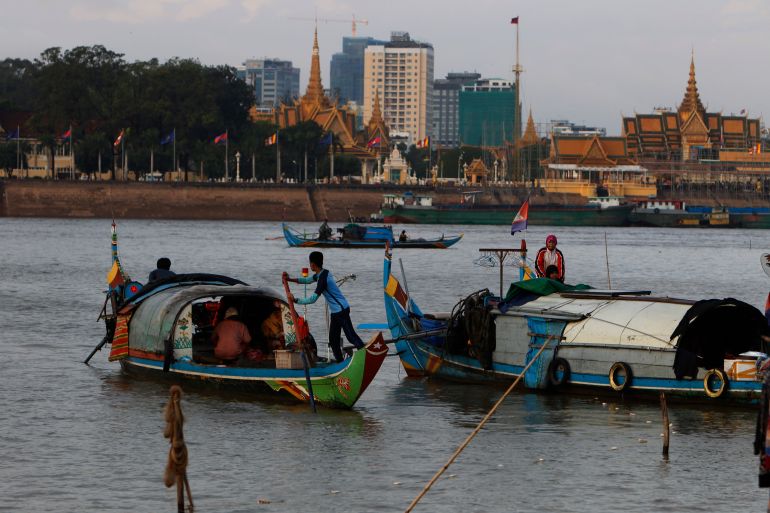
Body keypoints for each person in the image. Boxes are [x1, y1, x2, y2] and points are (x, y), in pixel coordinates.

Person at [284, 251, 364, 362]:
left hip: (341, 311)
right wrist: (290, 279)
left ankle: (365, 356)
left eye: (310, 263)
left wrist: (295, 300)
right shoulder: (322, 273)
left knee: (351, 336)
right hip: (336, 313)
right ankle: (340, 363)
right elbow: (307, 280)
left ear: (312, 264)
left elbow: (313, 299)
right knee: (333, 340)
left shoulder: (323, 279)